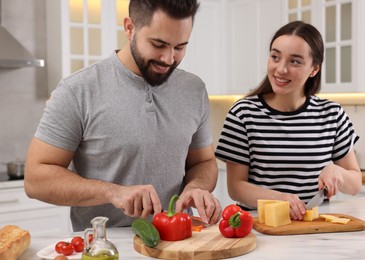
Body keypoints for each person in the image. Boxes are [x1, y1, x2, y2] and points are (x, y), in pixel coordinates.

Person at [24, 0, 221, 231]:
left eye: (180, 47)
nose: (169, 59)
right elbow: (35, 179)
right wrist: (113, 192)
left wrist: (196, 186)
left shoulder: (194, 90)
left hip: (180, 242)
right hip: (106, 247)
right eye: (158, 44)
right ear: (129, 28)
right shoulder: (78, 90)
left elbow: (204, 161)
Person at [215, 21, 362, 221]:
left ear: (314, 69)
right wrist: (280, 199)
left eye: (295, 61)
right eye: (275, 57)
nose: (281, 69)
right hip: (259, 226)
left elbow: (355, 184)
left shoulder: (332, 115)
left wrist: (338, 172)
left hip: (314, 228)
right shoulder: (243, 114)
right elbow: (236, 187)